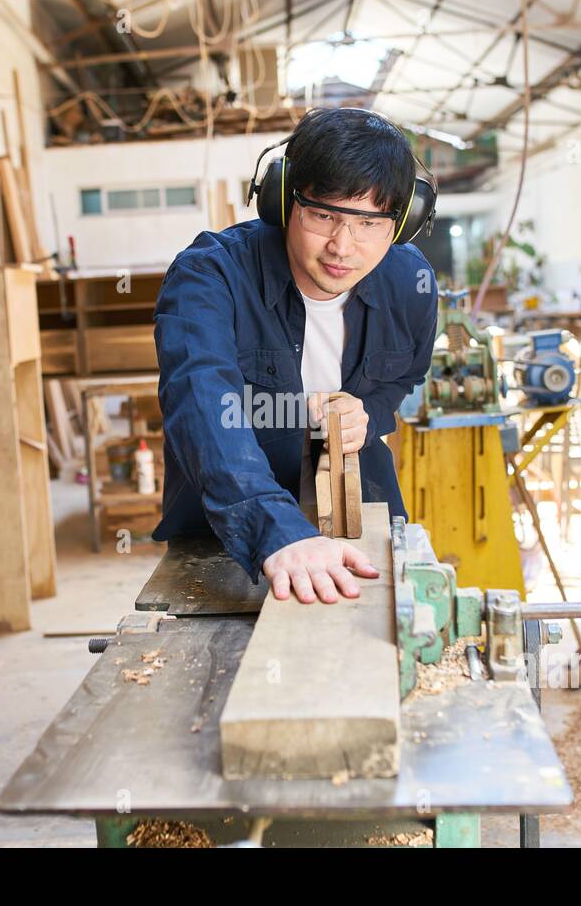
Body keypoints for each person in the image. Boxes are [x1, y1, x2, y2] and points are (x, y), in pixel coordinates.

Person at [152, 107, 439, 605]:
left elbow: (402, 379)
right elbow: (202, 405)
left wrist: (366, 415)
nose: (342, 246)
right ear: (284, 199)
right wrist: (275, 528)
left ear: (404, 220)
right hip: (229, 528)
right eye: (323, 214)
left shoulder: (409, 282)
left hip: (360, 508)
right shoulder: (208, 277)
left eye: (369, 222)